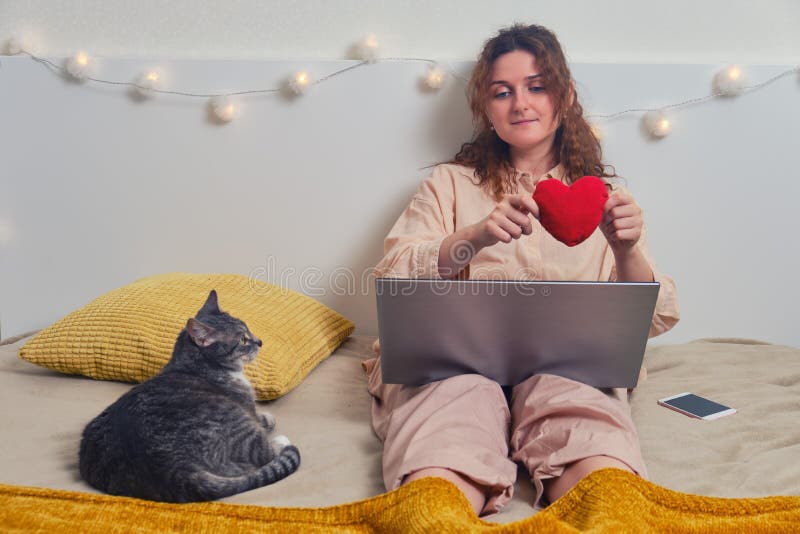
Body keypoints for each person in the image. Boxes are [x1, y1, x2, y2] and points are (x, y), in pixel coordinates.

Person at [362, 23, 679, 516]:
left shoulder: (602, 196)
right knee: (450, 415)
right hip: (453, 364)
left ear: (565, 95)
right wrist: (476, 236)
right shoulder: (449, 183)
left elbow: (652, 318)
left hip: (566, 366)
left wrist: (626, 249)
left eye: (537, 86)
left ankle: (609, 510)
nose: (521, 104)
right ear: (486, 108)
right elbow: (393, 281)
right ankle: (435, 514)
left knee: (585, 421)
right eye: (502, 92)